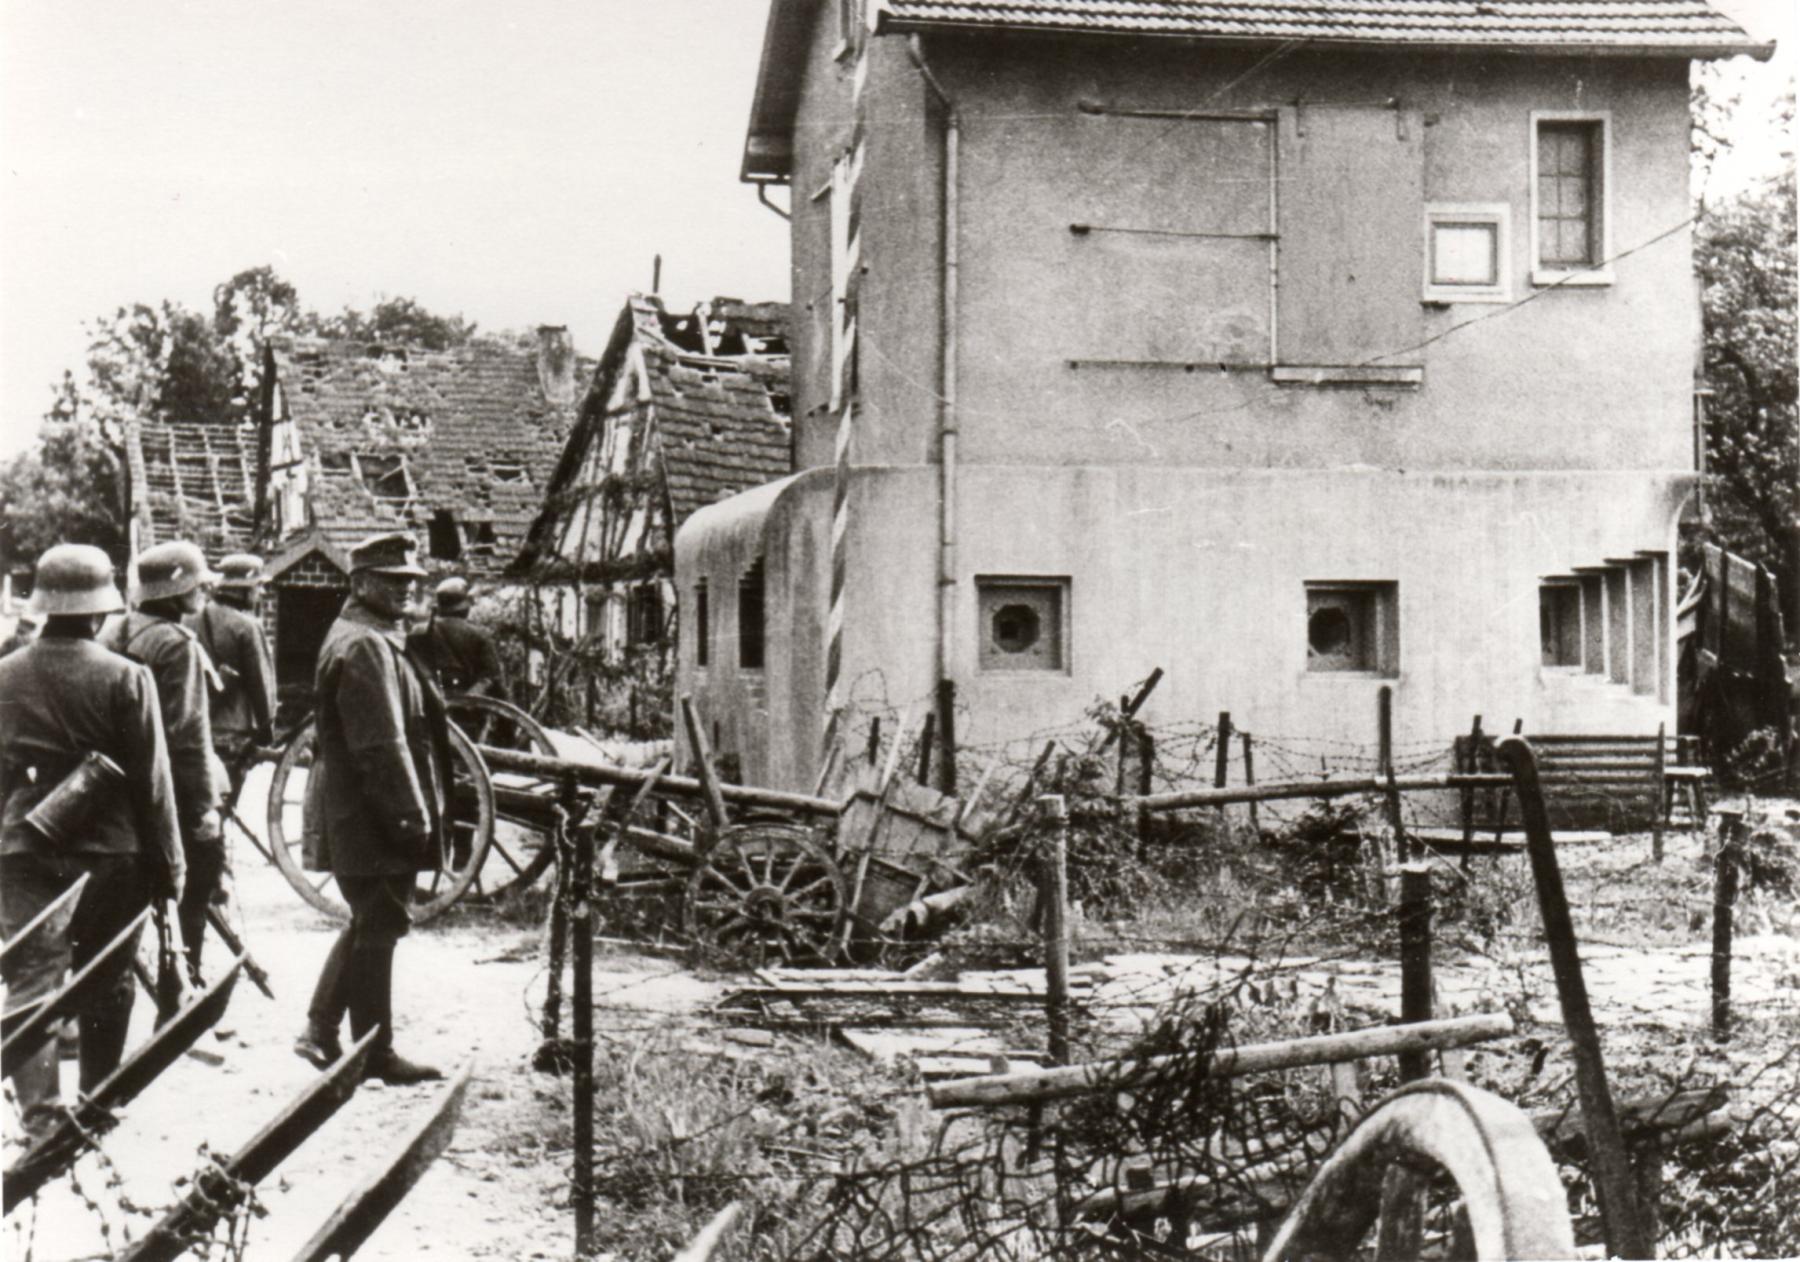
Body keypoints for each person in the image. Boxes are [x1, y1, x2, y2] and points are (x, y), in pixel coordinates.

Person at [0, 545, 184, 1135]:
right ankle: (99, 1102)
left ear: (44, 608)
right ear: (102, 611)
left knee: (31, 977)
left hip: (25, 848)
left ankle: (43, 1117)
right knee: (108, 976)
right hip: (112, 850)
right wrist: (170, 867)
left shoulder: (5, 673)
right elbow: (154, 782)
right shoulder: (127, 676)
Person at [294, 532, 447, 1084]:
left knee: (373, 920)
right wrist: (410, 818)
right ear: (360, 584)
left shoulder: (370, 636)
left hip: (362, 810)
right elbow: (380, 744)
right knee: (379, 927)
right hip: (370, 813)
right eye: (393, 581)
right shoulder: (364, 645)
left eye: (412, 581)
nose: (407, 589)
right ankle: (372, 1053)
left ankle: (322, 1031)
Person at [102, 542, 226, 979]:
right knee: (199, 879)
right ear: (177, 592)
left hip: (113, 790)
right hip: (166, 787)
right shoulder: (177, 645)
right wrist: (204, 807)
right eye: (197, 585)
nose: (204, 593)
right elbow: (188, 735)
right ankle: (184, 982)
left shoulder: (114, 631)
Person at [187, 553, 276, 800]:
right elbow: (261, 684)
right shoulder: (247, 627)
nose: (261, 593)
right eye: (259, 587)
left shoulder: (190, 618)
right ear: (244, 590)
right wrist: (267, 732)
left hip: (195, 727)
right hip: (233, 734)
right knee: (225, 801)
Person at [410, 576, 506, 699]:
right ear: (466, 607)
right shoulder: (480, 635)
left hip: (426, 703)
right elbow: (492, 678)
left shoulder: (418, 631)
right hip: (468, 710)